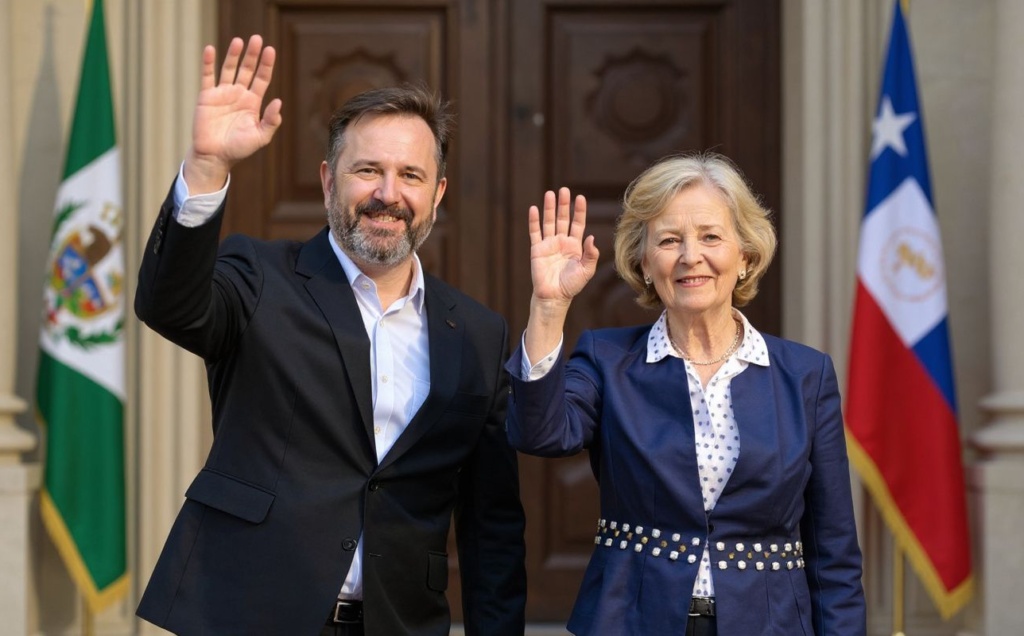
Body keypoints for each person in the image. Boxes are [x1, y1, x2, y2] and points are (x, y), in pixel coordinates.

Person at [134, 35, 526, 636]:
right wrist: (208, 167)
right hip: (248, 612)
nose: (388, 194)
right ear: (327, 180)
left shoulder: (477, 331)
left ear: (437, 195)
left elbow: (490, 521)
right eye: (367, 170)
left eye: (410, 175)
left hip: (401, 623)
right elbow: (171, 306)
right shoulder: (259, 276)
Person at [505, 152, 866, 635]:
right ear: (644, 261)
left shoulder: (805, 375)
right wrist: (548, 308)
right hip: (631, 622)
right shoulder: (608, 359)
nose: (690, 256)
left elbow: (833, 548)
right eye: (669, 240)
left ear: (746, 255)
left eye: (711, 237)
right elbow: (540, 433)